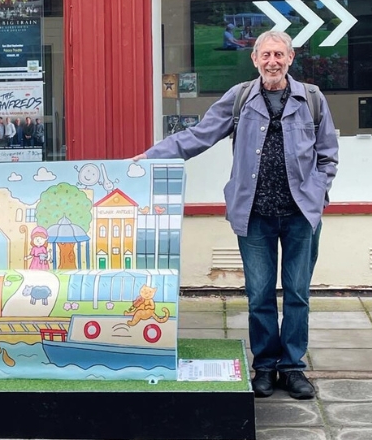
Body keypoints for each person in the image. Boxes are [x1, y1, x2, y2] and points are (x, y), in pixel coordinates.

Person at [133, 31, 338, 400]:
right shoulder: (241, 97)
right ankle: (264, 366)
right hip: (254, 216)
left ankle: (292, 368)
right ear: (255, 60)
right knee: (259, 294)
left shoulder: (312, 98)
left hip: (300, 215)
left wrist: (318, 192)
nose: (272, 61)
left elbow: (328, 154)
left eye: (279, 54)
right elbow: (197, 136)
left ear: (290, 58)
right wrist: (150, 157)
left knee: (297, 294)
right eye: (265, 55)